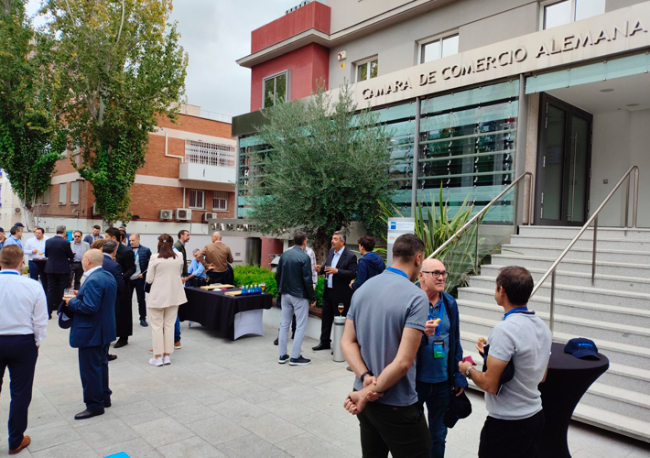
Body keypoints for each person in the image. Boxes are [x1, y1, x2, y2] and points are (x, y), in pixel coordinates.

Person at [341, 233, 431, 457]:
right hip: (396, 403)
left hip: (363, 396)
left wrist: (365, 379)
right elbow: (402, 363)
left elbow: (347, 341)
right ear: (418, 259)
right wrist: (369, 390)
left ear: (392, 255)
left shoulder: (362, 290)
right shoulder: (416, 296)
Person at [458, 266, 552, 458]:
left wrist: (467, 370)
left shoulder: (505, 330)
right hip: (535, 416)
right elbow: (541, 375)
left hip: (507, 423)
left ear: (502, 291)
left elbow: (490, 385)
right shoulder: (543, 327)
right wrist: (492, 355)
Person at [416, 258, 467, 458]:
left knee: (438, 435)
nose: (441, 277)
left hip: (443, 382)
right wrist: (421, 334)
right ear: (421, 275)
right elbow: (397, 338)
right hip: (415, 381)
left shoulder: (449, 303)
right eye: (435, 273)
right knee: (413, 435)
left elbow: (455, 340)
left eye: (443, 273)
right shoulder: (411, 300)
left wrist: (458, 374)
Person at [0, 245, 48, 454]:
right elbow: (40, 320)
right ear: (22, 263)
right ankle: (15, 440)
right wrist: (36, 341)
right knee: (20, 392)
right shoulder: (32, 286)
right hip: (22, 341)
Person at [62, 249, 117, 420]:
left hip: (91, 331)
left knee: (90, 370)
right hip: (104, 329)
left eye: (82, 260)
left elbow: (90, 307)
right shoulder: (107, 275)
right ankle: (104, 397)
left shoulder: (93, 279)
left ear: (87, 261)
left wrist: (72, 302)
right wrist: (81, 296)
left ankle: (94, 404)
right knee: (101, 365)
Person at [275, 231, 316, 366]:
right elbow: (307, 280)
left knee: (284, 324)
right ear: (304, 241)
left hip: (285, 293)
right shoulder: (305, 257)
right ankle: (295, 356)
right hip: (299, 295)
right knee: (300, 326)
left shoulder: (285, 255)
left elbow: (277, 275)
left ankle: (282, 355)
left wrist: (280, 289)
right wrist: (312, 297)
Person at [146, 234, 187, 367]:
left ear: (159, 244)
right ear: (171, 243)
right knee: (169, 325)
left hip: (158, 296)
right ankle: (167, 355)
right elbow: (179, 272)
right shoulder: (179, 256)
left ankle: (158, 357)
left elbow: (149, 279)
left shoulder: (154, 258)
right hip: (174, 295)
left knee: (157, 326)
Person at [313, 231, 357, 351]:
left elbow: (352, 273)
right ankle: (324, 342)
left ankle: (340, 346)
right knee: (326, 318)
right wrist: (320, 269)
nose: (332, 241)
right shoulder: (331, 251)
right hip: (328, 291)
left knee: (340, 319)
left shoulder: (350, 256)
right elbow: (328, 267)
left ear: (342, 242)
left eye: (336, 239)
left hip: (341, 294)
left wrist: (337, 271)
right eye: (332, 238)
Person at [104, 228, 135, 348]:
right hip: (109, 284)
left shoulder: (125, 251)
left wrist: (123, 277)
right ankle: (112, 334)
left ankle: (123, 337)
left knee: (123, 311)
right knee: (112, 310)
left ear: (113, 238)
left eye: (106, 236)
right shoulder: (106, 250)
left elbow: (132, 268)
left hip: (122, 285)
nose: (104, 238)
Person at [44, 225, 74, 319]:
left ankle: (48, 312)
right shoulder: (65, 242)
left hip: (51, 268)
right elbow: (70, 255)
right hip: (63, 269)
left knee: (51, 290)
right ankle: (62, 311)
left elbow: (46, 254)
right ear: (64, 232)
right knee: (64, 291)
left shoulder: (48, 241)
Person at [101, 241, 123, 363]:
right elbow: (119, 285)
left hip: (96, 298)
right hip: (110, 300)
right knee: (108, 326)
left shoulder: (96, 261)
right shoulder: (115, 265)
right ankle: (105, 353)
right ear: (114, 251)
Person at [129, 233, 151, 327]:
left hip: (139, 278)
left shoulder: (145, 250)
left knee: (141, 299)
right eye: (130, 241)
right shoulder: (127, 250)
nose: (131, 242)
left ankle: (143, 318)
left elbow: (150, 264)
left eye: (133, 240)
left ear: (139, 239)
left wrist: (144, 274)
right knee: (127, 300)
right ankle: (128, 319)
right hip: (129, 278)